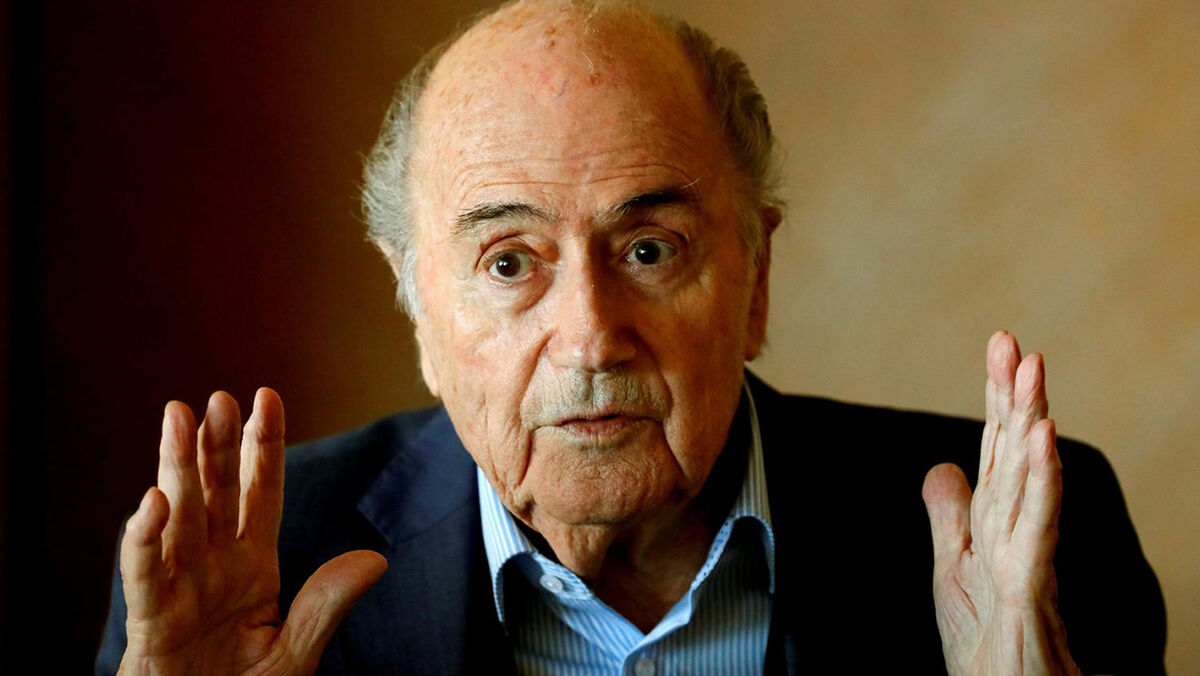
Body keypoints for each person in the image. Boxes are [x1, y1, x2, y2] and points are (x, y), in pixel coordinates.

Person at [96, 1, 1166, 674]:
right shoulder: (248, 571)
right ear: (418, 303)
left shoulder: (1025, 545)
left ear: (755, 279)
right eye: (509, 263)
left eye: (649, 250)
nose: (590, 338)